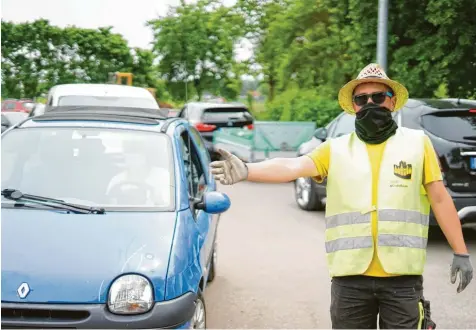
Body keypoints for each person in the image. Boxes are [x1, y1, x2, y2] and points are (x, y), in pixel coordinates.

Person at [210, 63, 474, 329]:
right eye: (362, 99)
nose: (370, 103)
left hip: (402, 279)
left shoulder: (418, 144)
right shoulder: (334, 149)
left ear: (392, 102)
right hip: (350, 280)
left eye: (378, 97)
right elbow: (293, 166)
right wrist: (247, 170)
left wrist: (461, 251)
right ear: (354, 106)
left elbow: (440, 199)